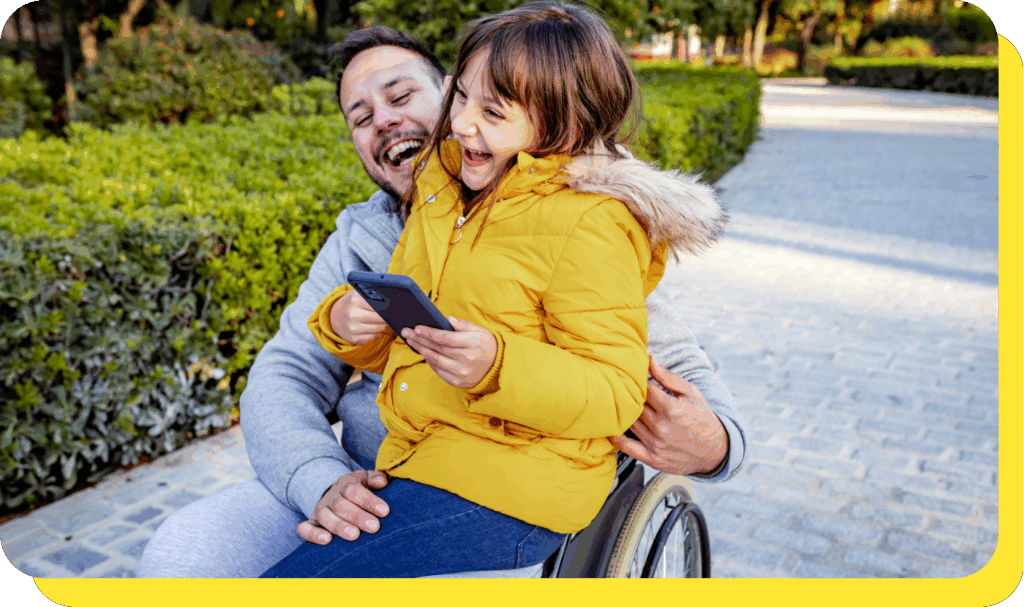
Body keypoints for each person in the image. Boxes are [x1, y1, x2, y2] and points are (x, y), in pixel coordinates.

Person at [138, 19, 748, 579]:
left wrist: (718, 443)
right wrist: (322, 477)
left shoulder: (577, 220)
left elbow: (645, 363)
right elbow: (285, 371)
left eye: (402, 97)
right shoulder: (376, 230)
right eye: (361, 115)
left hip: (498, 484)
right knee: (183, 554)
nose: (384, 120)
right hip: (372, 467)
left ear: (447, 90)